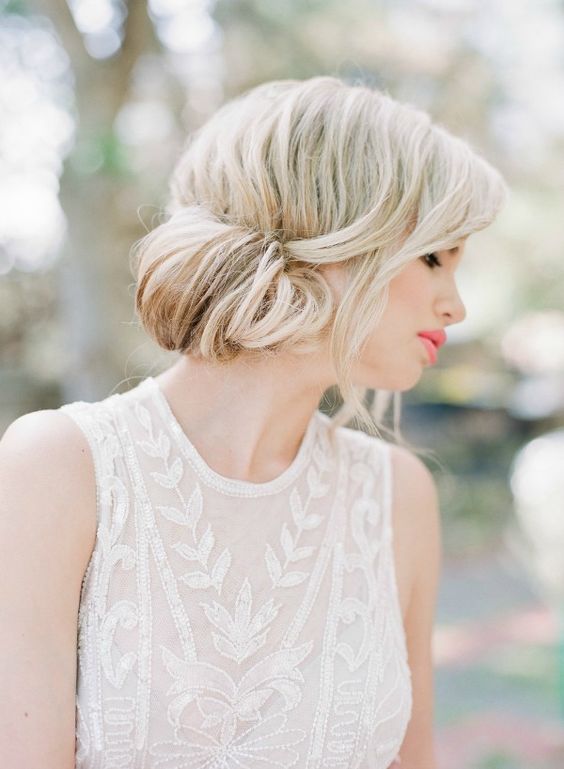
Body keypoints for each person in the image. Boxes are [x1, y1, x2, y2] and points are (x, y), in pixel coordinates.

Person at [0, 76, 506, 769]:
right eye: (432, 257)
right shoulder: (59, 467)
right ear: (332, 234)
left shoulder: (397, 495)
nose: (456, 305)